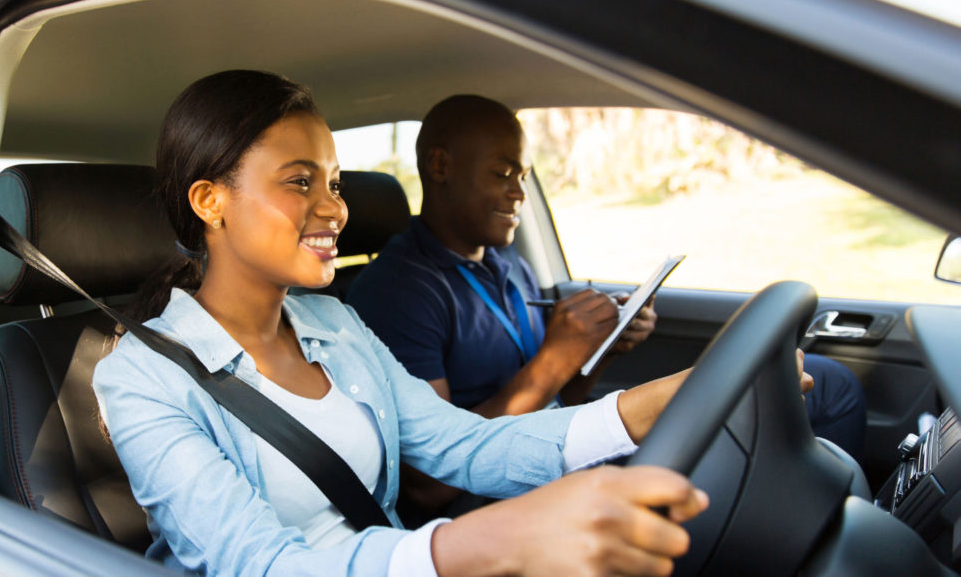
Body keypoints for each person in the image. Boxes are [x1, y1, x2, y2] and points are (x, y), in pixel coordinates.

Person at [92, 70, 709, 576]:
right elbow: (260, 565)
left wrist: (665, 401)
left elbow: (465, 444)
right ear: (210, 201)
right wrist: (496, 540)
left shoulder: (334, 325)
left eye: (334, 183)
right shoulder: (142, 379)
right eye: (300, 181)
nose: (335, 208)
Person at [345, 94, 867, 518]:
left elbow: (560, 402)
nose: (519, 194)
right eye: (503, 173)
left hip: (557, 445)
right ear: (440, 166)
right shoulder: (397, 291)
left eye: (524, 176)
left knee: (828, 383)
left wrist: (600, 351)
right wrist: (553, 360)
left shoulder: (508, 267)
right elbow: (430, 484)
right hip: (487, 497)